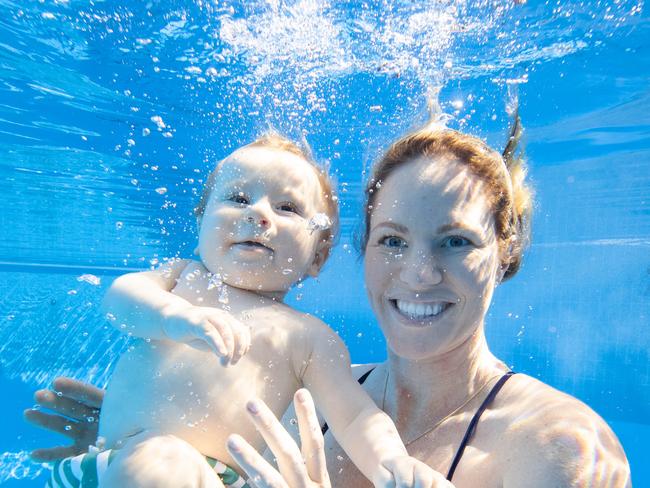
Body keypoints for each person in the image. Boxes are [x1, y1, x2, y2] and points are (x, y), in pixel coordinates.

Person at [26, 119, 632, 487]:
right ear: (361, 250)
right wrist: (154, 441)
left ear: (505, 252)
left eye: (455, 241)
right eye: (393, 240)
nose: (419, 273)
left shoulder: (560, 445)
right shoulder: (307, 397)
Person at [27, 133, 432, 488]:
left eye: (287, 208)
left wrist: (393, 464)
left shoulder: (307, 337)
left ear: (318, 255)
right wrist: (172, 316)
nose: (257, 214)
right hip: (103, 462)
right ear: (201, 222)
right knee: (155, 461)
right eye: (237, 198)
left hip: (211, 476)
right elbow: (119, 298)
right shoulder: (181, 280)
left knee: (163, 463)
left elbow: (355, 417)